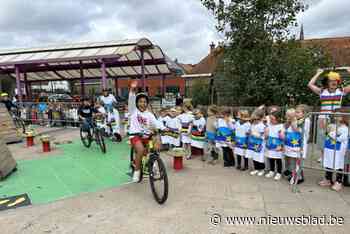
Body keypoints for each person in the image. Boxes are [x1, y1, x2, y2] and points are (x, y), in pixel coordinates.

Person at [308, 68, 350, 154]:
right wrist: (318, 73)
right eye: (331, 80)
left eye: (335, 80)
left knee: (334, 137)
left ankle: (333, 156)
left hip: (336, 118)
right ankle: (323, 156)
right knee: (321, 137)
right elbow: (310, 84)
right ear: (327, 82)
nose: (333, 82)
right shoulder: (322, 91)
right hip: (323, 118)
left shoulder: (341, 91)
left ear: (338, 82)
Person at [129, 93, 166, 183]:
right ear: (137, 103)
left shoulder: (149, 114)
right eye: (140, 102)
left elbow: (156, 123)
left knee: (155, 146)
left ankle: (152, 163)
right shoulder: (134, 111)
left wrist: (164, 128)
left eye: (145, 102)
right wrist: (131, 91)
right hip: (135, 136)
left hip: (146, 136)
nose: (143, 104)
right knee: (141, 150)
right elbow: (131, 100)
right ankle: (137, 171)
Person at [319, 110, 349, 191]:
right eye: (335, 115)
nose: (336, 117)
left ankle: (338, 182)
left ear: (343, 117)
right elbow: (326, 134)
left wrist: (332, 134)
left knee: (338, 165)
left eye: (338, 115)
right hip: (330, 149)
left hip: (338, 150)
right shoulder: (333, 125)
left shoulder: (345, 128)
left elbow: (341, 138)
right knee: (329, 163)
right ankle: (328, 179)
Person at [264, 107, 284, 180]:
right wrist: (266, 133)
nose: (271, 121)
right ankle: (271, 171)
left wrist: (281, 145)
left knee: (278, 160)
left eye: (273, 119)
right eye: (271, 119)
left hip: (277, 146)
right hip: (270, 146)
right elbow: (266, 135)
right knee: (271, 159)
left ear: (278, 119)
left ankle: (279, 173)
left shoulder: (281, 126)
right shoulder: (269, 125)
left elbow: (283, 137)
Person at [247, 108, 266, 176]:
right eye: (253, 119)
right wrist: (249, 133)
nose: (254, 121)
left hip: (259, 144)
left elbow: (263, 136)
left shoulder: (262, 126)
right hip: (253, 143)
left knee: (259, 157)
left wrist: (254, 134)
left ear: (260, 118)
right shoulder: (253, 124)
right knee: (254, 156)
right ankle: (256, 169)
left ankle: (262, 169)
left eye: (256, 119)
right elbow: (251, 131)